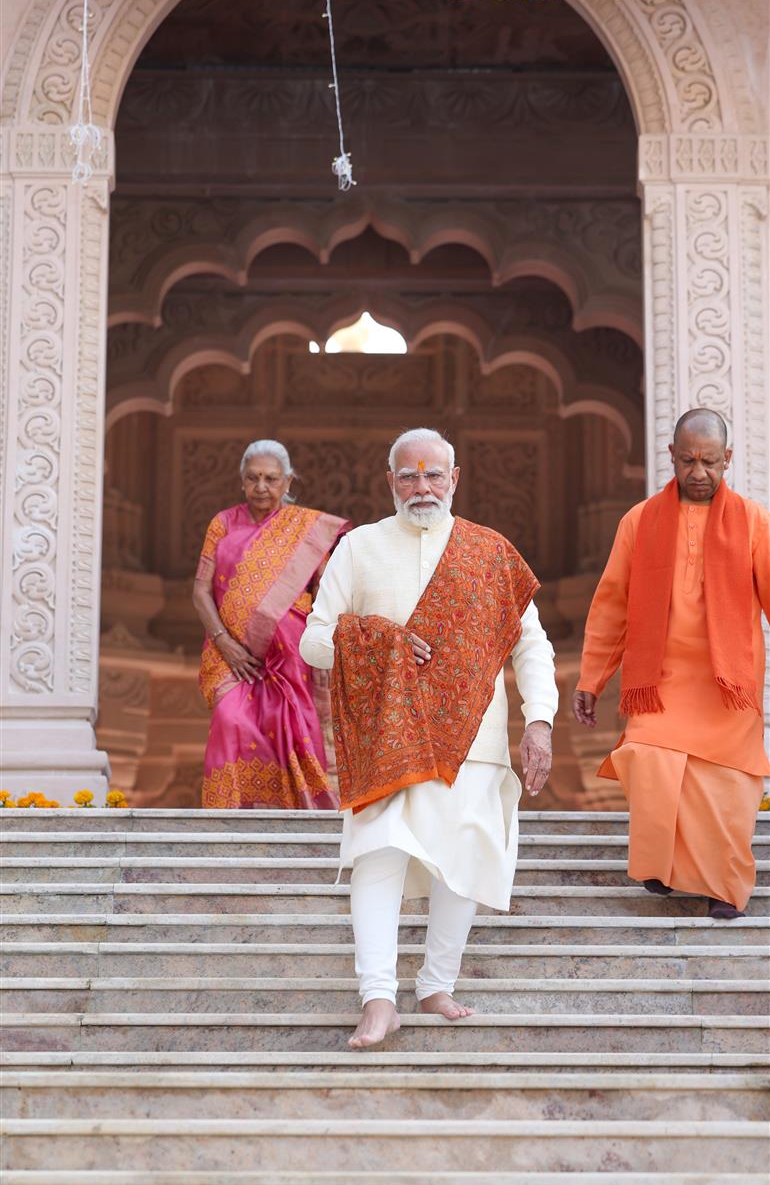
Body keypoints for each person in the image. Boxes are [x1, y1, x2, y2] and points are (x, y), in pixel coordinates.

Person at [299, 427, 558, 1048]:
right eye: (409, 476)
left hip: (476, 738)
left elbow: (531, 645)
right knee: (377, 856)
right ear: (390, 482)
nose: (422, 487)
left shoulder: (491, 554)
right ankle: (378, 999)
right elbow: (313, 641)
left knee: (461, 864)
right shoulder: (359, 548)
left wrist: (540, 721)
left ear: (455, 479)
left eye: (433, 475)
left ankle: (437, 982)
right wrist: (378, 638)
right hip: (384, 737)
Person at [573, 409, 770, 919]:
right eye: (688, 460)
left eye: (709, 461)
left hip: (728, 685)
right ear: (672, 458)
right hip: (657, 684)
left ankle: (723, 888)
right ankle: (662, 863)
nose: (698, 472)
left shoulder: (753, 521)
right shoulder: (639, 520)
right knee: (648, 759)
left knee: (724, 786)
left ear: (728, 459)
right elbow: (612, 604)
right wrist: (592, 678)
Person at [193, 439, 349, 810]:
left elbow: (326, 590)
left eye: (271, 479)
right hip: (231, 656)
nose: (262, 487)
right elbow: (200, 589)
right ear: (242, 482)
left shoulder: (307, 529)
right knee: (230, 719)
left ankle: (293, 813)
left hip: (288, 659)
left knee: (289, 728)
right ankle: (229, 818)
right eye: (253, 478)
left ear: (288, 482)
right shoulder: (223, 523)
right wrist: (224, 642)